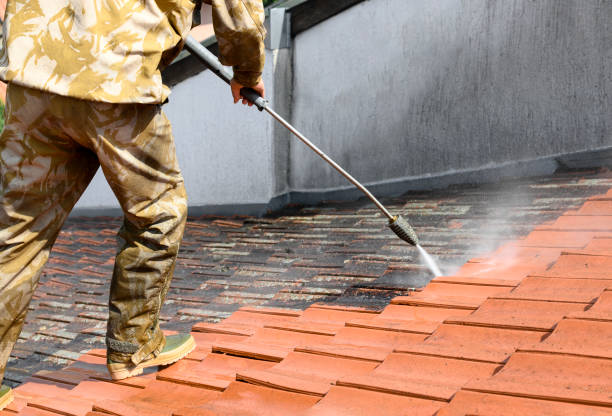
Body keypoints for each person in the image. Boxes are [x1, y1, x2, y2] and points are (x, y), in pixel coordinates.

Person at [0, 0, 266, 408]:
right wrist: (247, 72)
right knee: (159, 211)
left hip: (34, 71)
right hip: (115, 80)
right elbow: (240, 14)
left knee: (15, 231)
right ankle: (132, 344)